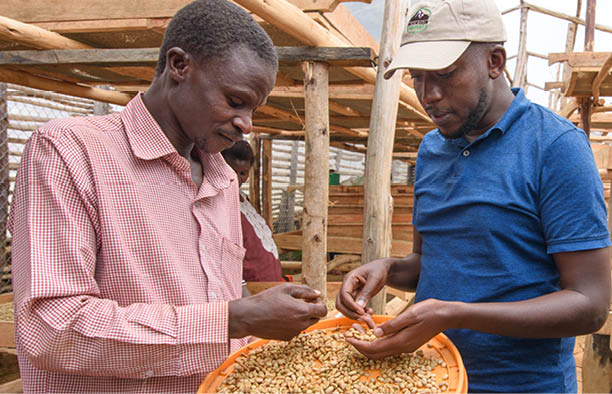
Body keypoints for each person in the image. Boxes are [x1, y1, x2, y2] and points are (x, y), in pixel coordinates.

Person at [8, 1, 326, 392]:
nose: (247, 123)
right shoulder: (71, 152)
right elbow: (51, 328)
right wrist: (233, 319)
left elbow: (222, 294)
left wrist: (261, 314)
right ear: (179, 66)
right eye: (235, 101)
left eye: (254, 109)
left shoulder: (222, 179)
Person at [336, 0, 611, 392]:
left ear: (494, 61)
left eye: (445, 75)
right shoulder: (432, 149)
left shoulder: (555, 147)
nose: (427, 94)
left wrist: (454, 315)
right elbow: (430, 262)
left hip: (522, 385)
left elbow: (590, 305)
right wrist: (388, 269)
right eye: (417, 77)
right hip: (433, 376)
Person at [221, 140, 283, 285]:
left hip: (269, 285)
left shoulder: (244, 199)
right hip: (251, 289)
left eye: (243, 173)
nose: (237, 177)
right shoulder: (221, 201)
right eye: (231, 170)